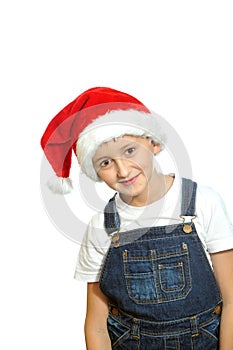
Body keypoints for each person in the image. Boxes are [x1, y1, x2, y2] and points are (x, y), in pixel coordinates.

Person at [41, 87, 233, 349]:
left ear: (153, 142)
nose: (122, 170)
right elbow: (97, 325)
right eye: (105, 162)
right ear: (95, 171)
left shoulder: (203, 203)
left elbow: (231, 301)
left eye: (129, 151)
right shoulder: (102, 228)